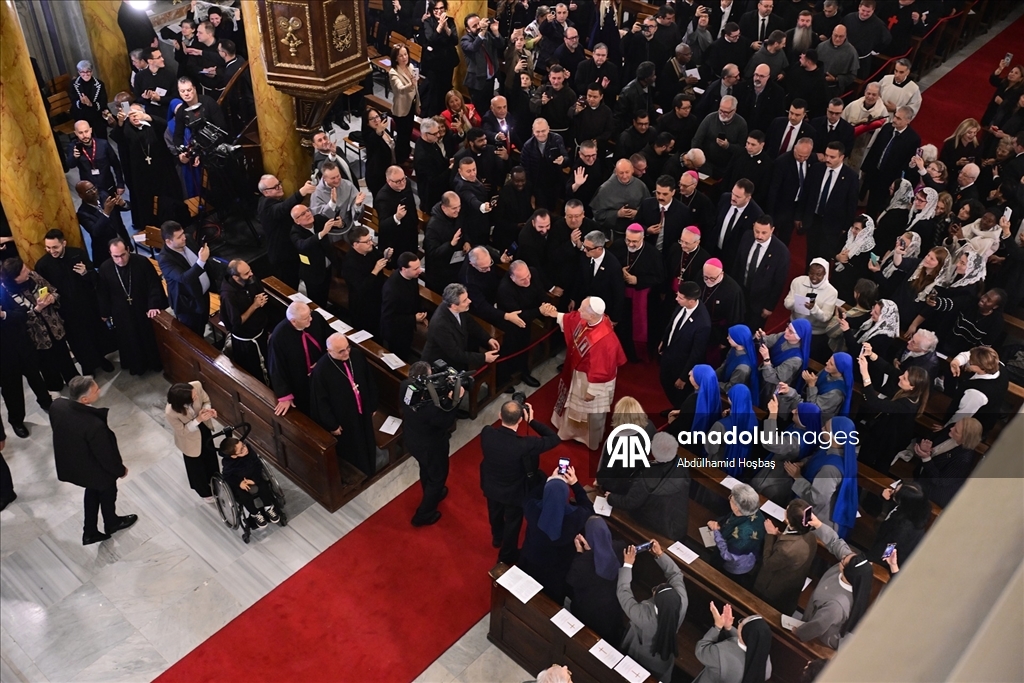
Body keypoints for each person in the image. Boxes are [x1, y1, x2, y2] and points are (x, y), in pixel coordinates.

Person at [51, 376, 138, 545]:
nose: (100, 391)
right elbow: (105, 455)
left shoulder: (57, 405)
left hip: (75, 464)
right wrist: (119, 470)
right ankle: (111, 523)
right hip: (94, 468)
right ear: (85, 399)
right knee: (107, 493)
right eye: (96, 390)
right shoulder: (93, 425)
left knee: (92, 491)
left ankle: (90, 531)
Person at [480, 399, 561, 563]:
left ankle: (497, 537)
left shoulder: (487, 433)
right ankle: (507, 555)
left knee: (494, 512)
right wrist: (532, 421)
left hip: (491, 486)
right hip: (513, 492)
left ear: (499, 415)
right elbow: (554, 438)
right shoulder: (525, 444)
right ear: (520, 420)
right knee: (512, 522)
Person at [540, 297, 626, 449]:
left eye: (582, 309)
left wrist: (592, 391)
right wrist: (556, 315)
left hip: (589, 380)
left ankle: (584, 437)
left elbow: (602, 369)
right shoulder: (593, 320)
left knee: (586, 411)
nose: (578, 310)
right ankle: (568, 430)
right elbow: (572, 319)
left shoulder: (603, 340)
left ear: (592, 315)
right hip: (577, 370)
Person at [35, 230, 113, 376]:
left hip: (87, 305)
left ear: (63, 243)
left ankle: (101, 360)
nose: (52, 251)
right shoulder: (43, 265)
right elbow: (44, 289)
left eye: (55, 247)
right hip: (66, 311)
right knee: (77, 341)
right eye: (48, 247)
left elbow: (94, 279)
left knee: (95, 334)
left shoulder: (77, 254)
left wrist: (85, 273)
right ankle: (87, 366)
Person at [795, 513, 876, 648]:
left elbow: (818, 625)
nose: (843, 556)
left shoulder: (837, 605)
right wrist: (818, 525)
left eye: (843, 560)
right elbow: (835, 542)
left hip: (819, 640)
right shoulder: (852, 569)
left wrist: (799, 633)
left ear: (846, 571)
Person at [520, 465, 594, 604]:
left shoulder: (533, 509)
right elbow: (588, 508)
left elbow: (530, 497)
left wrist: (551, 480)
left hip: (532, 559)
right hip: (558, 567)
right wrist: (575, 484)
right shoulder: (575, 515)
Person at [618, 539, 688, 683]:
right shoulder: (682, 601)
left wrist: (627, 565)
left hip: (642, 654)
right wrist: (660, 555)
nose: (653, 590)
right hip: (664, 656)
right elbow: (676, 575)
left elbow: (623, 592)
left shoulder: (645, 617)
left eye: (655, 592)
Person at [310, 333, 380, 477]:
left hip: (363, 410)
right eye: (341, 351)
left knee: (367, 439)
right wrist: (332, 424)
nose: (346, 352)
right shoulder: (322, 370)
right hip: (344, 418)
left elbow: (369, 380)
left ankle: (372, 468)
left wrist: (373, 404)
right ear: (329, 351)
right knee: (353, 447)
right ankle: (360, 474)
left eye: (347, 348)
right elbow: (320, 401)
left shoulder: (357, 356)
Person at [96, 238, 167, 376]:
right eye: (116, 256)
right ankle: (137, 367)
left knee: (147, 337)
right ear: (110, 254)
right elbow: (103, 293)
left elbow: (153, 285)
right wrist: (104, 312)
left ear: (128, 250)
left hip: (143, 308)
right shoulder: (105, 268)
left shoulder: (141, 262)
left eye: (123, 255)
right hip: (121, 312)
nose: (120, 260)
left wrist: (153, 305)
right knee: (129, 339)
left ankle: (154, 363)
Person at [607, 432, 691, 541]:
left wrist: (610, 498)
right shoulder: (681, 464)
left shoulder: (647, 478)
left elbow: (630, 502)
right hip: (677, 518)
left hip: (659, 524)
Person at [787, 416, 859, 538]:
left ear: (835, 437)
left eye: (826, 429)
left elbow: (817, 499)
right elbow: (818, 456)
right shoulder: (837, 449)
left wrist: (797, 477)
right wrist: (804, 463)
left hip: (818, 516)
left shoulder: (830, 470)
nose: (822, 428)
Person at [566, 517, 627, 645]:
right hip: (611, 611)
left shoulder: (583, 563)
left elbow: (572, 580)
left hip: (587, 611)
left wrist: (580, 553)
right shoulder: (619, 548)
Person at [754, 498, 817, 616]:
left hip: (773, 589)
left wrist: (770, 535)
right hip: (793, 583)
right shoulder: (811, 536)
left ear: (789, 520)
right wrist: (779, 535)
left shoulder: (787, 550)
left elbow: (768, 563)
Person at [610, 224, 663, 362]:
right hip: (620, 294)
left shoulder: (653, 254)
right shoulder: (618, 246)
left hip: (643, 298)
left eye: (635, 241)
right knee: (622, 326)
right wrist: (619, 270)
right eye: (628, 240)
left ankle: (637, 355)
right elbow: (609, 263)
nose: (631, 244)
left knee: (640, 328)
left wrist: (637, 280)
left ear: (643, 238)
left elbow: (660, 277)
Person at [267, 301, 328, 416]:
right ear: (293, 321)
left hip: (322, 375)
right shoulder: (278, 337)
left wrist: (322, 363)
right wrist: (285, 395)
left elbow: (329, 341)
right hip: (300, 381)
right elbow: (276, 367)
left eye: (309, 314)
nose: (310, 319)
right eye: (306, 318)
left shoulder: (316, 318)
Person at [422, 283, 500, 372]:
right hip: (441, 365)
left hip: (456, 358)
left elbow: (470, 323)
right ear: (454, 306)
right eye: (465, 300)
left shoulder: (458, 308)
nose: (469, 301)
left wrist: (488, 339)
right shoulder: (440, 325)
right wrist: (483, 357)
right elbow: (455, 354)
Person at [801, 142, 859, 262]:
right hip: (813, 220)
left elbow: (851, 204)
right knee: (810, 254)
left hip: (833, 225)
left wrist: (846, 227)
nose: (827, 159)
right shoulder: (817, 169)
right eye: (827, 155)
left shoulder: (851, 177)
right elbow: (806, 193)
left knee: (825, 255)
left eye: (832, 157)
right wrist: (800, 215)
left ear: (842, 157)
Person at [257, 175, 317, 289]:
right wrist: (301, 192)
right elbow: (282, 208)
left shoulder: (272, 200)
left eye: (279, 183)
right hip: (283, 256)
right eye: (275, 187)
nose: (279, 187)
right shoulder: (266, 206)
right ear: (265, 192)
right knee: (289, 286)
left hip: (290, 250)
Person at [164, 381, 220, 502]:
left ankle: (215, 478)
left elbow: (206, 400)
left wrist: (206, 411)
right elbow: (183, 432)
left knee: (210, 454)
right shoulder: (171, 412)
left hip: (203, 428)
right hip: (189, 438)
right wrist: (198, 419)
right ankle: (205, 493)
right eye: (193, 397)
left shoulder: (196, 386)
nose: (196, 397)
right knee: (196, 465)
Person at [862, 106, 922, 216]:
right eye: (895, 116)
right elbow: (875, 149)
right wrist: (866, 168)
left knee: (883, 207)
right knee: (871, 204)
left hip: (891, 180)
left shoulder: (913, 139)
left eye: (899, 118)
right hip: (876, 173)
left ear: (908, 120)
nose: (894, 120)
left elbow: (907, 163)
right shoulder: (887, 128)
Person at [659, 281, 712, 406]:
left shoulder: (703, 323)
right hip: (669, 355)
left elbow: (696, 353)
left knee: (679, 395)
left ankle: (679, 412)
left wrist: (683, 377)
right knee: (664, 381)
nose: (676, 299)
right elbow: (672, 324)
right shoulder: (682, 306)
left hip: (681, 365)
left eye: (680, 298)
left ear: (691, 301)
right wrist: (664, 341)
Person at [157, 221, 212, 338]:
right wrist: (202, 261)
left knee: (203, 323)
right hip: (189, 304)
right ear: (168, 241)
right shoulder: (165, 259)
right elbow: (184, 278)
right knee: (194, 335)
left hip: (203, 294)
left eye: (183, 233)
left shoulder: (187, 240)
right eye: (179, 237)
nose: (184, 238)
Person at [913, 417, 983, 508]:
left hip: (932, 492)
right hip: (922, 476)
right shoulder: (951, 429)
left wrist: (926, 458)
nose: (951, 428)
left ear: (964, 439)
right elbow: (932, 439)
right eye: (955, 425)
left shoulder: (963, 460)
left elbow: (940, 481)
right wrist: (926, 449)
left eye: (956, 431)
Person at [220, 259, 270, 383]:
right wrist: (254, 305)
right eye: (246, 273)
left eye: (250, 270)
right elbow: (236, 322)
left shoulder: (250, 279)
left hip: (260, 331)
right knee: (255, 372)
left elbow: (259, 291)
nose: (251, 274)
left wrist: (260, 298)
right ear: (236, 277)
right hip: (246, 342)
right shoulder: (228, 295)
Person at [693, 605, 773, 683]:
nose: (739, 624)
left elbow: (701, 650)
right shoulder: (766, 664)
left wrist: (717, 627)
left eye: (741, 622)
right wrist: (728, 628)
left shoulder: (720, 654)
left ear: (743, 633)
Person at [218, 436, 282, 529]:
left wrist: (254, 480)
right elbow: (228, 477)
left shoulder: (250, 452)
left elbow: (258, 465)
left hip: (253, 476)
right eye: (241, 450)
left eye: (243, 445)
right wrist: (240, 483)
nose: (245, 449)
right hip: (240, 483)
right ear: (234, 456)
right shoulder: (228, 463)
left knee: (264, 487)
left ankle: (268, 507)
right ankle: (255, 514)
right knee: (244, 497)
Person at [706, 483, 766, 580]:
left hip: (735, 566)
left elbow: (727, 555)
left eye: (731, 498)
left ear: (737, 508)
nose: (729, 498)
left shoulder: (743, 534)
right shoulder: (754, 511)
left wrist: (716, 531)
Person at [784, 258, 838, 360]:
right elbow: (787, 304)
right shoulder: (798, 281)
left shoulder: (831, 292)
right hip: (795, 326)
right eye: (811, 273)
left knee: (805, 359)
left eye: (818, 275)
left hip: (815, 333)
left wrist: (814, 308)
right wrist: (797, 302)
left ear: (825, 275)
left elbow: (826, 317)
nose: (814, 277)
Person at [289, 204, 341, 307]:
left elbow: (335, 226)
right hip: (313, 273)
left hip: (327, 266)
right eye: (302, 214)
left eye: (307, 210)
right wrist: (322, 233)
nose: (308, 214)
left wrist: (340, 224)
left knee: (326, 292)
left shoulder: (318, 219)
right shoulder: (295, 232)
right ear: (297, 221)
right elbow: (302, 245)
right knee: (316, 301)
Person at [569, 230, 626, 324]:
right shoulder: (585, 256)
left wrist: (614, 319)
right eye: (584, 246)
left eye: (587, 248)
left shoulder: (613, 266)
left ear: (599, 249)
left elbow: (618, 295)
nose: (584, 250)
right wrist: (573, 299)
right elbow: (579, 278)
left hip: (602, 312)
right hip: (584, 307)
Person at [341, 227, 388, 335]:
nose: (371, 243)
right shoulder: (350, 263)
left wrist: (386, 257)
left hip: (377, 297)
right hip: (362, 305)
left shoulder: (370, 250)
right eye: (367, 241)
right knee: (367, 332)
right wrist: (375, 270)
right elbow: (361, 288)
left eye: (370, 239)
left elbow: (380, 258)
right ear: (356, 244)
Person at [380, 252, 427, 360]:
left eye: (419, 267)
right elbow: (388, 318)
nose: (419, 270)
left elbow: (415, 296)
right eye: (415, 268)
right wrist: (413, 318)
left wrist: (421, 311)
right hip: (395, 333)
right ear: (404, 269)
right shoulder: (392, 289)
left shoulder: (412, 277)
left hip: (407, 327)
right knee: (399, 357)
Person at [870, 481, 929, 566]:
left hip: (894, 557)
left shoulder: (904, 527)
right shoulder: (916, 506)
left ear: (902, 501)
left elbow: (888, 548)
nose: (892, 491)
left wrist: (869, 558)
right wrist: (886, 497)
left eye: (895, 493)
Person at [75, 181, 131, 268]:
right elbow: (95, 232)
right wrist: (106, 213)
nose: (94, 192)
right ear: (81, 195)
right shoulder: (82, 213)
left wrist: (123, 204)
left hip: (122, 239)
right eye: (89, 191)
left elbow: (126, 207)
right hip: (105, 250)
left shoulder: (104, 196)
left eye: (94, 188)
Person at [591, 159, 651, 240]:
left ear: (632, 170)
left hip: (636, 233)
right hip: (613, 234)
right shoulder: (605, 189)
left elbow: (649, 208)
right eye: (621, 173)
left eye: (627, 172)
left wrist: (638, 213)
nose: (624, 176)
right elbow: (598, 214)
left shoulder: (640, 186)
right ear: (616, 172)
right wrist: (617, 214)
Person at [423, 191, 468, 294]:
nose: (458, 210)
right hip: (440, 275)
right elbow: (432, 254)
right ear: (444, 208)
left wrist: (467, 241)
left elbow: (464, 228)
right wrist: (450, 244)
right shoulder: (433, 227)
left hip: (455, 267)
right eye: (454, 208)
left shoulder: (457, 214)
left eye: (459, 207)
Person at [692, 95, 748, 179]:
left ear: (734, 110)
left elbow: (741, 149)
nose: (722, 114)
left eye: (726, 112)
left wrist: (727, 146)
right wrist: (697, 159)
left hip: (726, 167)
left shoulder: (741, 124)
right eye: (721, 110)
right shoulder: (710, 118)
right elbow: (696, 140)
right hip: (705, 163)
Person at [520, 117, 570, 210]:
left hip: (555, 180)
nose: (541, 134)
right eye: (537, 131)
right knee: (543, 207)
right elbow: (525, 169)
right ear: (533, 131)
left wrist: (563, 160)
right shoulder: (528, 146)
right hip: (538, 183)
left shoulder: (557, 139)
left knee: (553, 205)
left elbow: (566, 158)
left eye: (543, 131)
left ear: (548, 129)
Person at [711, 179, 761, 264]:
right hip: (714, 249)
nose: (733, 198)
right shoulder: (725, 198)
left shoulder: (756, 214)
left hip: (732, 259)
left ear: (748, 197)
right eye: (733, 193)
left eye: (738, 196)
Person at [68, 120, 124, 194]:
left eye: (86, 131)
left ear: (91, 130)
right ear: (75, 133)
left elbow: (116, 164)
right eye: (80, 133)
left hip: (108, 184)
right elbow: (70, 165)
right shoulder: (73, 147)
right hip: (89, 188)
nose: (84, 135)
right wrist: (74, 157)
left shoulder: (103, 144)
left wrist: (120, 184)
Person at [309, 160, 366, 229]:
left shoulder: (348, 185)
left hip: (348, 227)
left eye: (338, 176)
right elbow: (318, 218)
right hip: (329, 231)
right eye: (333, 178)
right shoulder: (317, 193)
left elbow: (356, 217)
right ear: (324, 178)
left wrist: (357, 205)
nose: (337, 180)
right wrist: (332, 203)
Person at [388, 44, 421, 164]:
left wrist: (418, 105)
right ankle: (400, 159)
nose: (404, 57)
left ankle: (406, 154)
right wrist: (411, 84)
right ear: (396, 58)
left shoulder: (411, 66)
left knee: (408, 132)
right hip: (401, 109)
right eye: (400, 55)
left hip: (411, 105)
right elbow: (400, 89)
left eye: (405, 54)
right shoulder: (393, 72)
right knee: (402, 136)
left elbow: (415, 89)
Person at [413, 118, 455, 210]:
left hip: (440, 185)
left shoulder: (431, 141)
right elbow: (433, 181)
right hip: (431, 195)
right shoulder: (423, 156)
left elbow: (438, 158)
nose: (438, 135)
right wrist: (449, 169)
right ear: (425, 134)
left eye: (438, 132)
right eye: (435, 133)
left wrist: (448, 162)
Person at [69, 61, 109, 139]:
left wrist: (91, 104)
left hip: (96, 112)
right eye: (82, 72)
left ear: (92, 71)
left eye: (88, 71)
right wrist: (81, 102)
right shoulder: (73, 84)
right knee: (84, 131)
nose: (86, 74)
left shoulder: (100, 84)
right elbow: (73, 101)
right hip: (81, 113)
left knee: (101, 132)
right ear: (79, 72)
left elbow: (103, 102)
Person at [362, 109, 396, 199]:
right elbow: (374, 141)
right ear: (367, 123)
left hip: (388, 169)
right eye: (372, 119)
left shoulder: (384, 130)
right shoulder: (369, 136)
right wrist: (378, 132)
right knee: (380, 200)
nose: (376, 120)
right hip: (377, 174)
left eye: (377, 116)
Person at [719, 325, 760, 397]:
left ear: (738, 340)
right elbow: (724, 366)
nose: (727, 338)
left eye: (730, 337)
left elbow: (731, 387)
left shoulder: (743, 368)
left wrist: (712, 383)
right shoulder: (735, 349)